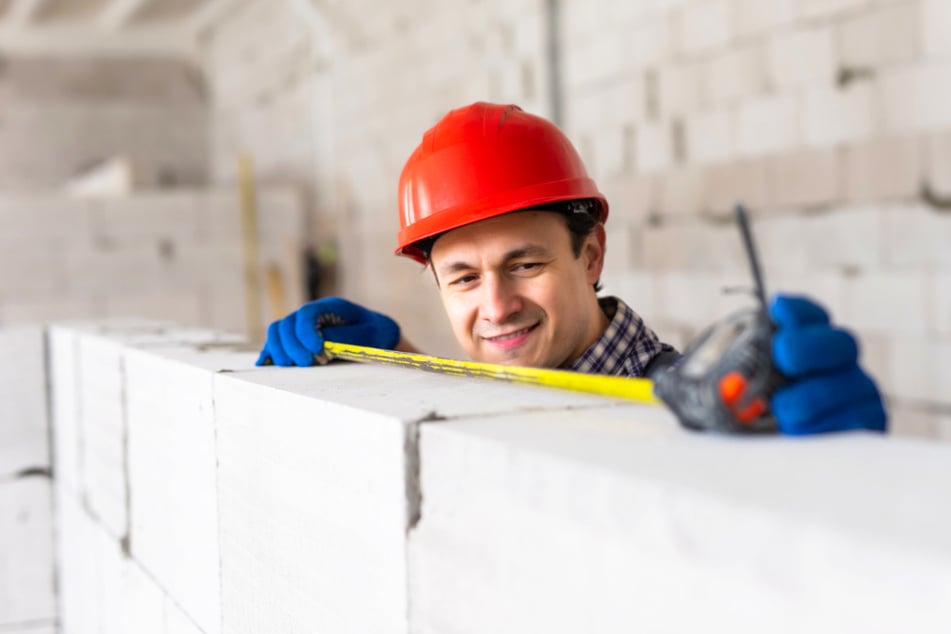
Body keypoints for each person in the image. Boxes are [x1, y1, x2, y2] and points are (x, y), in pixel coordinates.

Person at [257, 102, 887, 436]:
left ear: (590, 255)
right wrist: (395, 359)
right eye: (464, 279)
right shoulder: (497, 389)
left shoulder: (690, 404)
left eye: (525, 263)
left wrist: (839, 466)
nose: (497, 306)